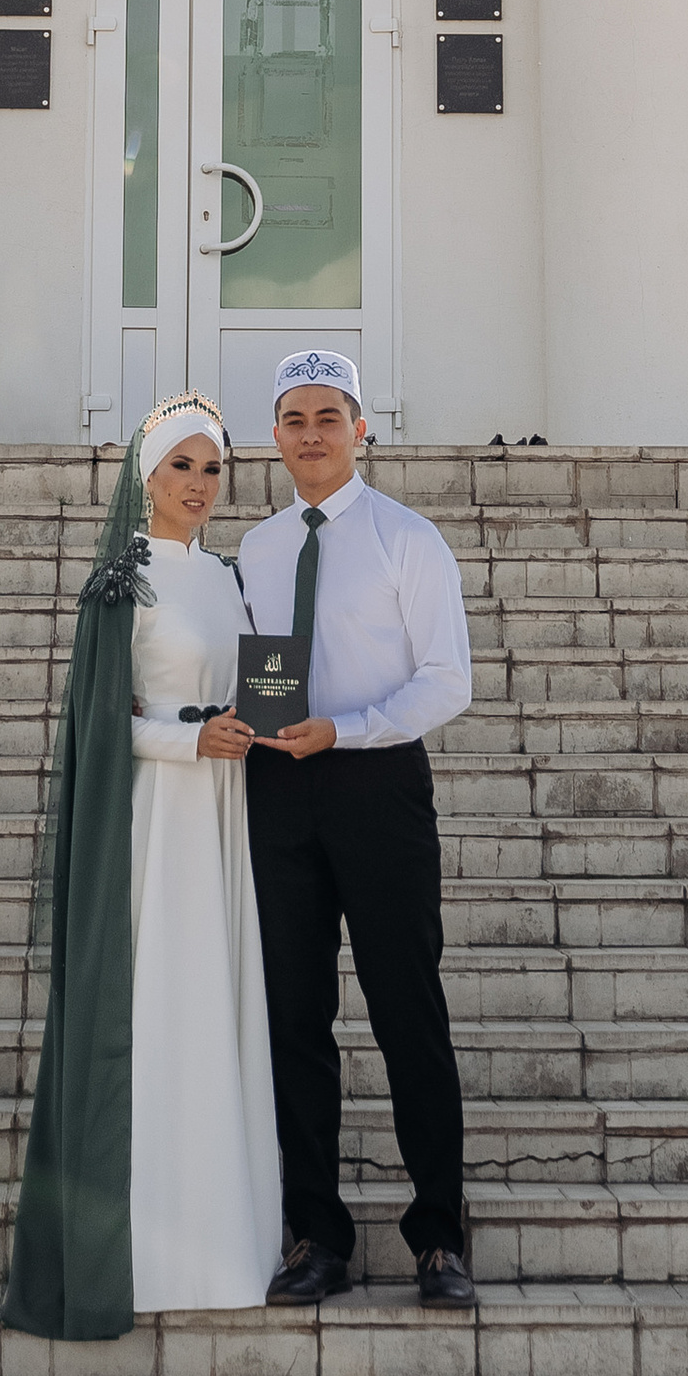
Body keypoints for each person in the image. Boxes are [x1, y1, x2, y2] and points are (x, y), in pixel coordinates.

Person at [0, 395, 284, 1336]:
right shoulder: (122, 583)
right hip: (158, 820)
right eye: (180, 468)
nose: (199, 486)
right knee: (159, 1007)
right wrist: (185, 745)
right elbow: (94, 725)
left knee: (221, 1007)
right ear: (144, 477)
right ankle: (145, 1254)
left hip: (228, 814)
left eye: (212, 470)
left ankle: (227, 1238)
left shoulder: (232, 578)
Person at [235, 346, 477, 1310]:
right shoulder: (254, 548)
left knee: (407, 1010)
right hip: (279, 789)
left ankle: (439, 1237)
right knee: (294, 1018)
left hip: (377, 788)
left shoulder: (408, 539)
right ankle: (317, 1238)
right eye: (294, 419)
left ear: (362, 429)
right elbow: (251, 664)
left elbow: (446, 680)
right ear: (277, 438)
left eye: (328, 416)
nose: (311, 435)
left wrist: (351, 729)